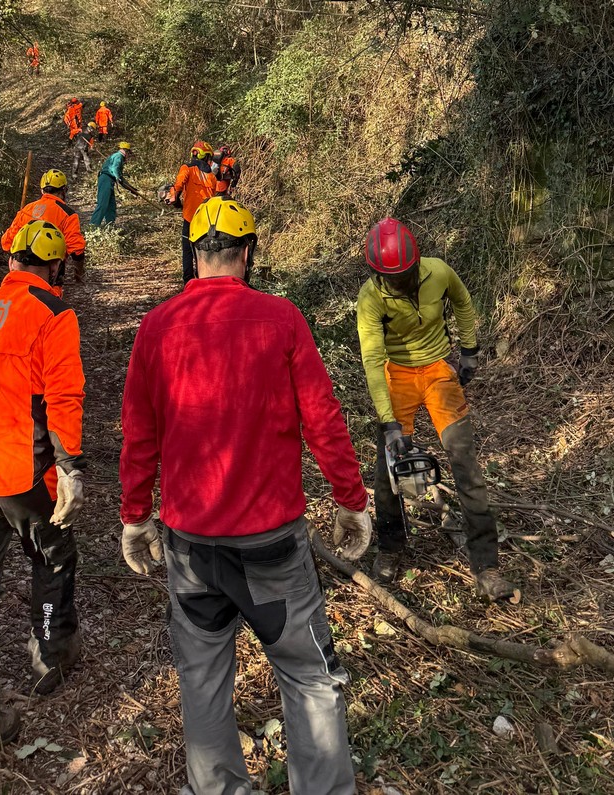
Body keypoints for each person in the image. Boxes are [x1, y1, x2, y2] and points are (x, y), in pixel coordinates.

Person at [119, 196, 373, 795]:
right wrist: (350, 499)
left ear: (193, 254)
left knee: (202, 678)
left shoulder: (157, 327)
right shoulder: (281, 319)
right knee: (308, 676)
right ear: (248, 253)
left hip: (190, 544)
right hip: (271, 546)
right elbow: (323, 419)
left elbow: (139, 433)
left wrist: (135, 516)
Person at [0, 220, 88, 772]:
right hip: (25, 473)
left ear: (11, 261)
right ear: (53, 267)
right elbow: (64, 396)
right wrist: (70, 467)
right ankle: (51, 653)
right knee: (53, 554)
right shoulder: (54, 314)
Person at [356, 217, 520, 603]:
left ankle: (487, 565)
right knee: (388, 470)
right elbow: (372, 360)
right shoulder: (371, 297)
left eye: (404, 276)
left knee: (465, 463)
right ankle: (391, 547)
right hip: (396, 373)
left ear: (416, 265)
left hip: (437, 370)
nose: (398, 284)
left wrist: (469, 350)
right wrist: (389, 423)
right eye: (390, 279)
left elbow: (462, 301)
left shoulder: (439, 272)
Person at [1, 169, 87, 284]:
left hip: (20, 267)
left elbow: (6, 242)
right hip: (49, 269)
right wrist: (79, 274)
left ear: (42, 190)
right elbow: (77, 250)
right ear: (64, 190)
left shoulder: (27, 209)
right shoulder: (68, 214)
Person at [165, 141, 217, 283]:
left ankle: (188, 281)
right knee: (205, 250)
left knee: (188, 250)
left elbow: (178, 185)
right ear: (207, 156)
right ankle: (204, 278)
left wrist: (174, 197)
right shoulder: (212, 176)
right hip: (207, 218)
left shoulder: (187, 168)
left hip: (190, 217)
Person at [90, 142, 139, 227]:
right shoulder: (118, 156)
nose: (128, 156)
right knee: (102, 204)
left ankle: (110, 225)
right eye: (128, 153)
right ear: (126, 151)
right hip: (105, 179)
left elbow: (121, 179)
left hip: (110, 181)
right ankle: (93, 226)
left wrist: (132, 189)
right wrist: (118, 177)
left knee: (111, 205)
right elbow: (115, 169)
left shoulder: (118, 158)